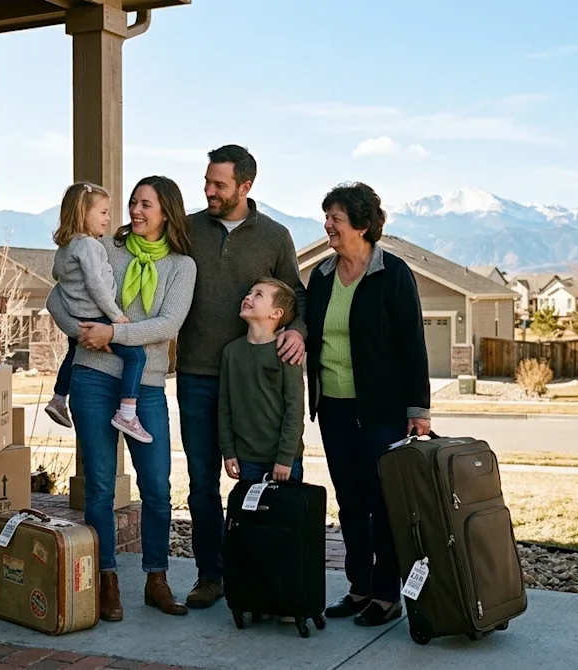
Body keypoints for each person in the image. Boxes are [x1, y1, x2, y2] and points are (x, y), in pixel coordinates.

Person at [45, 175, 197, 622]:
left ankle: (156, 579)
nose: (135, 211)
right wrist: (85, 335)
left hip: (145, 386)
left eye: (146, 205)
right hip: (92, 380)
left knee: (157, 488)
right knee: (99, 487)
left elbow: (167, 325)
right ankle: (104, 581)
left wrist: (113, 333)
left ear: (166, 211)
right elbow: (56, 300)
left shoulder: (180, 267)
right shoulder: (104, 248)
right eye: (132, 202)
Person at [177, 144, 307, 609]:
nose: (209, 191)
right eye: (207, 182)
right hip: (195, 375)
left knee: (254, 481)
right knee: (200, 483)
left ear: (245, 187)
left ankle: (255, 573)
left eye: (219, 185)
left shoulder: (274, 236)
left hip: (253, 380)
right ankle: (210, 575)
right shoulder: (187, 228)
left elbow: (298, 298)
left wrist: (297, 332)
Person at [304, 182, 431, 627]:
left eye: (335, 219)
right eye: (327, 218)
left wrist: (418, 409)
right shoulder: (320, 277)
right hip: (334, 407)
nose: (328, 226)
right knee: (350, 501)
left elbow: (412, 343)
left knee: (383, 502)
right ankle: (358, 588)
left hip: (382, 410)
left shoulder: (391, 272)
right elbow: (306, 325)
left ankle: (385, 593)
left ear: (361, 224)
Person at [45, 181, 152, 443]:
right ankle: (127, 413)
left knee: (73, 353)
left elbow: (56, 274)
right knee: (136, 357)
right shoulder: (90, 246)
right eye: (103, 212)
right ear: (84, 213)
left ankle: (59, 398)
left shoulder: (65, 247)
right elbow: (96, 285)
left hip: (76, 314)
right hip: (96, 315)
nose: (108, 219)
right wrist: (116, 317)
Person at [219, 278, 305, 484]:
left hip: (284, 460)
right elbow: (224, 407)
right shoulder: (231, 353)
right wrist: (228, 451)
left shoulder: (286, 351)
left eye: (258, 295)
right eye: (249, 292)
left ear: (276, 313)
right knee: (250, 516)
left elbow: (294, 408)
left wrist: (285, 458)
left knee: (284, 516)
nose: (248, 297)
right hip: (246, 460)